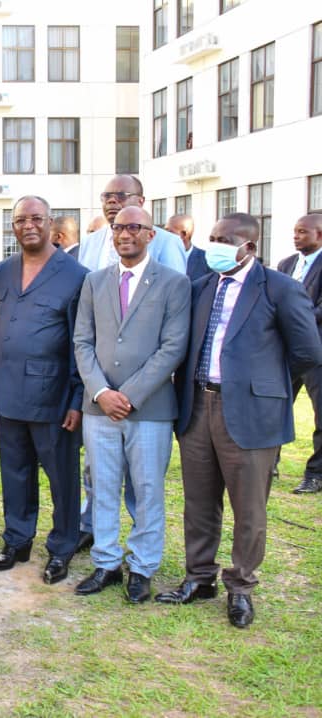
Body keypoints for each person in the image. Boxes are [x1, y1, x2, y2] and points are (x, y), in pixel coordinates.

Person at [156, 213, 322, 627]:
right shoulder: (202, 287)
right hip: (198, 406)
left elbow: (307, 351)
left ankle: (242, 587)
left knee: (249, 508)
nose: (215, 245)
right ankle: (200, 577)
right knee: (198, 501)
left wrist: (261, 379)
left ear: (249, 246)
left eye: (224, 240)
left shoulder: (280, 288)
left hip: (251, 413)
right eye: (212, 238)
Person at [73, 207, 190, 603]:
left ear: (151, 234)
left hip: (150, 408)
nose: (125, 234)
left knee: (146, 489)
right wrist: (101, 392)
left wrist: (131, 395)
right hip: (99, 407)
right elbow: (82, 342)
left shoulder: (174, 284)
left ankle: (141, 567)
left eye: (134, 227)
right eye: (118, 227)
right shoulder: (94, 281)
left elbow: (173, 346)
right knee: (101, 486)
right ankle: (105, 562)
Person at [0, 196, 88, 584]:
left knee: (61, 476)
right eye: (19, 220)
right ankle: (17, 539)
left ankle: (62, 548)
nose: (27, 225)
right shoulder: (2, 270)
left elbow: (83, 341)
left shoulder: (75, 274)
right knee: (14, 471)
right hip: (8, 391)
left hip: (54, 396)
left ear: (51, 224)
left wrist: (78, 399)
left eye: (35, 219)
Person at [275, 214, 322, 494]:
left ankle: (315, 474)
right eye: (294, 231)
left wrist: (291, 316)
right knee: (274, 406)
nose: (296, 236)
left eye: (302, 232)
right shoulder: (285, 264)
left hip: (317, 352)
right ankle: (269, 461)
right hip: (285, 350)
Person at [166, 214, 210, 281]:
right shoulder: (158, 257)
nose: (165, 235)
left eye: (169, 232)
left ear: (184, 235)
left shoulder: (207, 260)